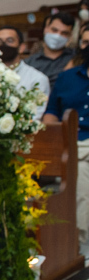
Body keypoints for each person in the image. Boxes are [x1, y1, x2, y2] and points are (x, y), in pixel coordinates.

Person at [43, 35, 89, 245]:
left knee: (80, 172)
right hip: (68, 141)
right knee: (78, 168)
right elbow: (52, 112)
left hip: (81, 145)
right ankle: (76, 241)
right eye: (86, 42)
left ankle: (78, 240)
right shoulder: (67, 77)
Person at [0, 25, 51, 111]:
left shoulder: (37, 79)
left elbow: (35, 114)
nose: (3, 45)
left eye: (9, 41)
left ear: (21, 47)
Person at [25, 12, 77, 85]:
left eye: (64, 33)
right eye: (54, 30)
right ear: (46, 29)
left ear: (70, 35)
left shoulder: (76, 58)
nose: (58, 36)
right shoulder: (29, 63)